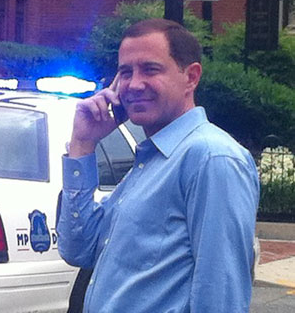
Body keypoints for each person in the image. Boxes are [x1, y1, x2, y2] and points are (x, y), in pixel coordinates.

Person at [57, 18, 260, 312]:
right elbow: (79, 250)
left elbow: (220, 293)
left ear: (191, 77)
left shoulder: (212, 158)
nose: (134, 84)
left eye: (150, 69)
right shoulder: (150, 161)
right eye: (125, 72)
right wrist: (82, 144)